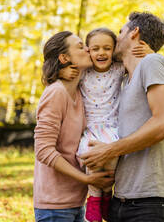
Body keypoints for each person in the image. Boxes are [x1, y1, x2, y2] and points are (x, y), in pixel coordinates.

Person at [80, 12, 164, 222]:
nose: (115, 39)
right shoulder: (125, 79)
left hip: (150, 200)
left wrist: (109, 150)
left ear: (134, 32)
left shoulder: (152, 62)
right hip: (122, 198)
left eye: (120, 32)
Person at [59, 28, 152, 222]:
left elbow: (143, 67)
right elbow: (58, 74)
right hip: (91, 128)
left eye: (107, 48)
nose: (101, 53)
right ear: (88, 51)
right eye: (95, 49)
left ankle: (107, 194)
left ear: (113, 50)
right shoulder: (83, 72)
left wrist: (150, 54)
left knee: (111, 158)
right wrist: (63, 70)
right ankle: (94, 196)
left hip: (112, 127)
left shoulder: (119, 69)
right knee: (88, 156)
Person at [33, 31, 114, 222]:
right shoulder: (55, 93)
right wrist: (86, 179)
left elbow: (111, 55)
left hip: (77, 202)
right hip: (55, 206)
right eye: (80, 46)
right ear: (64, 58)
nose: (88, 49)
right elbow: (43, 150)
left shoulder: (80, 91)